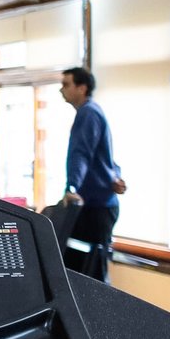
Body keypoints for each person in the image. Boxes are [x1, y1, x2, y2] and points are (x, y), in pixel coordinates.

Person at [60, 66, 127, 279]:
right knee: (79, 269)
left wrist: (72, 187)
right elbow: (103, 158)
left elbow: (82, 153)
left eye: (66, 84)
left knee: (89, 274)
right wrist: (114, 176)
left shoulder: (88, 113)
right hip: (97, 205)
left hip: (96, 208)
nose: (61, 89)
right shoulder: (91, 112)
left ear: (82, 88)